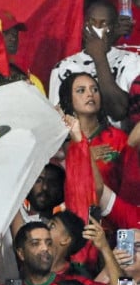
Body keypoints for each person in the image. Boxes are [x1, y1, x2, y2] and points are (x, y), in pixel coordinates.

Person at [49, 0, 140, 122]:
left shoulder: (132, 61)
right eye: (91, 22)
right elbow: (57, 118)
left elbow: (118, 111)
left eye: (103, 24)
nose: (96, 28)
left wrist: (99, 57)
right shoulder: (63, 67)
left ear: (115, 27)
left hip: (120, 134)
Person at [59, 70, 140, 205]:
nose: (90, 94)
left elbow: (130, 184)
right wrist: (85, 155)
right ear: (68, 99)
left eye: (95, 89)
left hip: (110, 213)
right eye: (81, 90)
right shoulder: (60, 142)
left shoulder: (117, 138)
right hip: (68, 213)